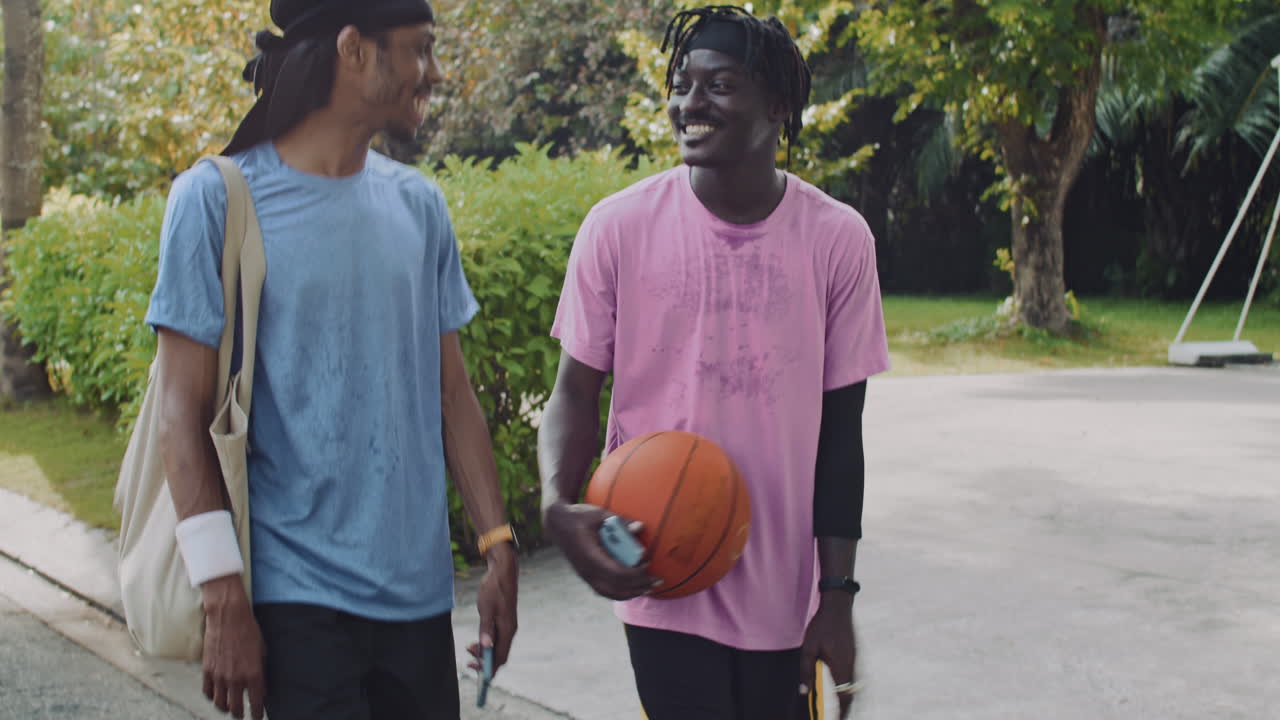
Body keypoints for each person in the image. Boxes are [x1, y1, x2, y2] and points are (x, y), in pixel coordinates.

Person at [147, 1, 518, 718]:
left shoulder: (419, 206)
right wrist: (223, 595)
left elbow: (451, 395)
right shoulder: (216, 201)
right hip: (295, 604)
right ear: (353, 51)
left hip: (416, 600)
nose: (434, 74)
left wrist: (497, 543)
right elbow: (179, 417)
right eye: (419, 51)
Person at [538, 5, 889, 719]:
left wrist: (836, 598)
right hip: (659, 570)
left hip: (781, 600)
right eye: (682, 83)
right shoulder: (618, 228)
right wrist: (554, 505)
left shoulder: (836, 240)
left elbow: (840, 435)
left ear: (778, 107)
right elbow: (573, 392)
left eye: (720, 85)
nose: (690, 103)